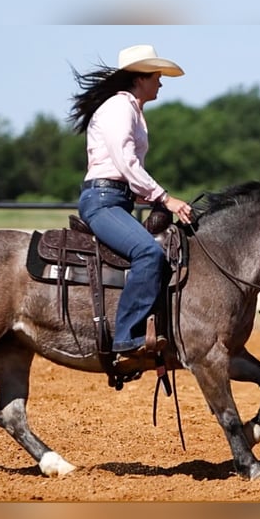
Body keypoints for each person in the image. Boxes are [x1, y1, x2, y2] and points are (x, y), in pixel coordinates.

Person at [68, 44, 193, 361]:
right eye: (157, 76)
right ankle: (125, 338)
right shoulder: (119, 108)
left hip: (114, 198)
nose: (161, 83)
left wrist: (150, 198)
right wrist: (165, 198)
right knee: (148, 253)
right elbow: (125, 163)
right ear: (141, 78)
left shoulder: (131, 110)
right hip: (103, 200)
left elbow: (123, 171)